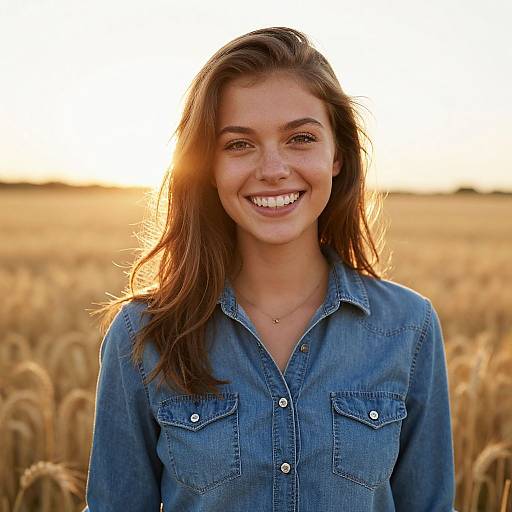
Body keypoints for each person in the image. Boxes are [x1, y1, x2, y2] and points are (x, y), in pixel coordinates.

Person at [83, 27, 456, 511]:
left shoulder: (409, 328)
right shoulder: (144, 334)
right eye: (239, 145)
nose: (273, 168)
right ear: (207, 166)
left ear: (338, 154)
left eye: (300, 138)